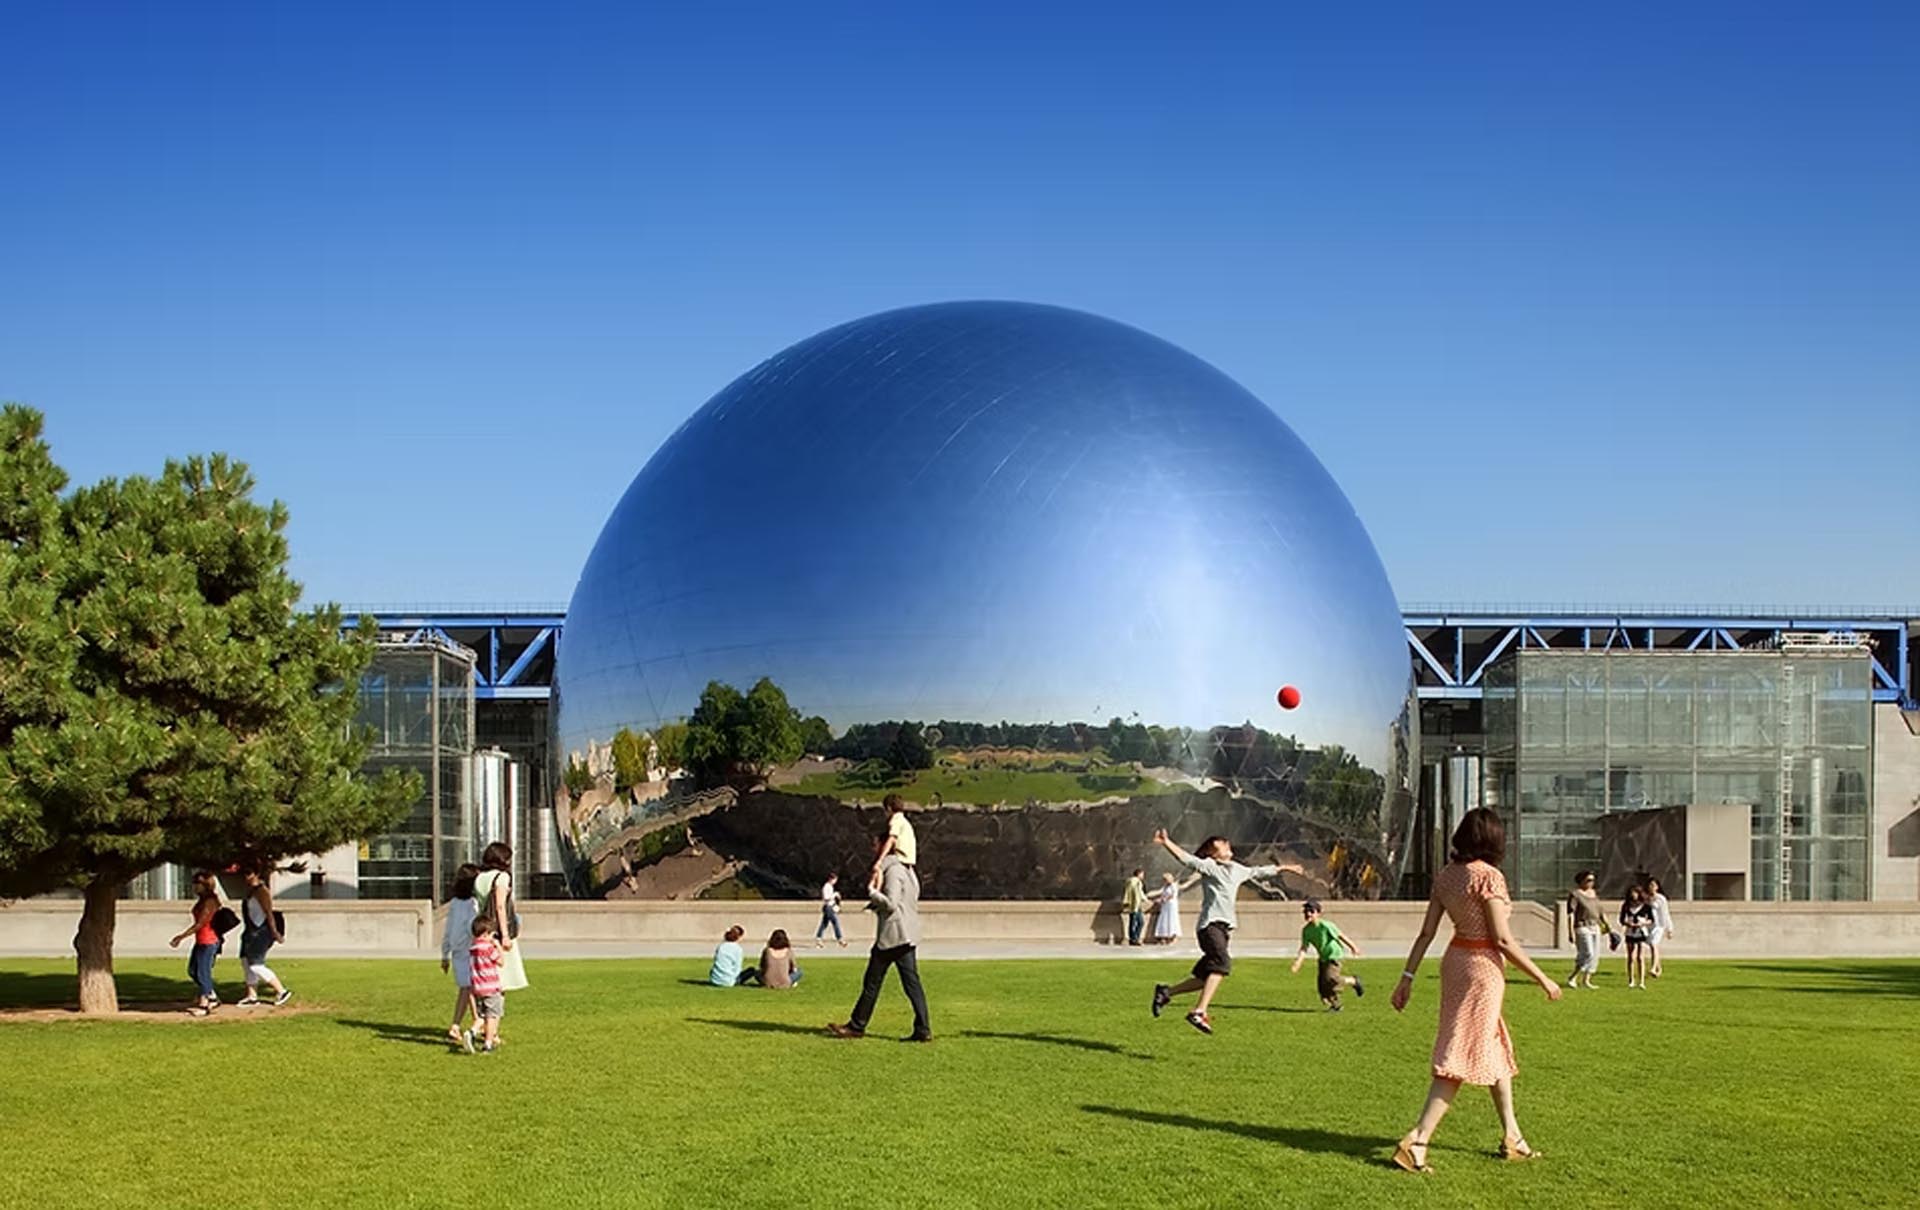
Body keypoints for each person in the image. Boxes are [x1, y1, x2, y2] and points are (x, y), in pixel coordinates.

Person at [1390, 808, 1561, 1173]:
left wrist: (1407, 976)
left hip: (1455, 962)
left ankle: (1512, 1136)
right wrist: (1542, 977)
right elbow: (1501, 939)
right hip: (1482, 969)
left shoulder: (1446, 876)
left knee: (1493, 1047)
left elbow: (1426, 933)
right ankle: (1418, 1140)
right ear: (1493, 840)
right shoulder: (1489, 878)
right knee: (1461, 1053)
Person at [1147, 830, 1285, 1035]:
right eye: (1220, 844)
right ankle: (1199, 1011)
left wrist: (1284, 867)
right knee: (1222, 964)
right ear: (1213, 854)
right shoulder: (1210, 866)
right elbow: (1186, 859)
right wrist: (1167, 842)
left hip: (1223, 929)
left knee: (1206, 977)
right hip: (1210, 926)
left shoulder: (1238, 869)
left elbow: (1258, 871)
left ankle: (1166, 991)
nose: (1226, 844)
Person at [828, 835, 931, 1041]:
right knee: (911, 984)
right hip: (907, 934)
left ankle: (857, 1026)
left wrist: (872, 893)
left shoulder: (891, 871)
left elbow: (891, 903)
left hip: (893, 936)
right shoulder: (908, 871)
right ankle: (923, 1029)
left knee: (872, 983)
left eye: (875, 844)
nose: (872, 848)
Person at [473, 842, 529, 994]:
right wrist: (505, 935)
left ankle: (484, 1013)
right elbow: (500, 906)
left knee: (486, 973)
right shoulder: (502, 877)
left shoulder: (479, 878)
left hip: (484, 930)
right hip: (497, 931)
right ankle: (493, 1014)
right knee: (501, 976)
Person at [169, 870, 224, 1016]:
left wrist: (181, 937)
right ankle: (211, 995)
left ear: (205, 884)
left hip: (209, 940)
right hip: (201, 940)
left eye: (197, 883)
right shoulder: (202, 900)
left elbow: (200, 923)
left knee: (203, 972)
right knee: (193, 971)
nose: (194, 886)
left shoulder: (210, 901)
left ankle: (206, 1003)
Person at [1291, 899, 1364, 1011]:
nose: (1308, 914)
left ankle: (1353, 981)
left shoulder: (1326, 926)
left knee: (1331, 978)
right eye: (1306, 911)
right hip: (1323, 957)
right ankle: (1336, 1005)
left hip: (1334, 955)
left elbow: (1340, 936)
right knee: (1322, 986)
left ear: (1318, 913)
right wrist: (1298, 962)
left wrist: (1353, 947)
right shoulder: (1306, 930)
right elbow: (1304, 948)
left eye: (1311, 911)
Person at [235, 865, 290, 1007]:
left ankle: (281, 990)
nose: (245, 877)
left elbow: (268, 913)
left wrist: (274, 932)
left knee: (256, 965)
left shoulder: (262, 891)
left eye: (249, 873)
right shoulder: (250, 892)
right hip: (250, 931)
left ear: (257, 874)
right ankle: (251, 995)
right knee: (246, 962)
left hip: (260, 932)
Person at [441, 862, 482, 1043]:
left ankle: (472, 1021)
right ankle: (462, 1024)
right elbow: (471, 927)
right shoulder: (472, 904)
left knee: (467, 988)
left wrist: (445, 954)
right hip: (469, 950)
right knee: (468, 988)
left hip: (457, 951)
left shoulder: (454, 903)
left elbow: (448, 930)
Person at [464, 915, 504, 1054]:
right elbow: (501, 962)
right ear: (486, 933)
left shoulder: (473, 948)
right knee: (492, 1015)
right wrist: (497, 946)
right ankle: (488, 1043)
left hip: (478, 987)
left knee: (481, 1016)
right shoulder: (488, 948)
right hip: (491, 987)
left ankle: (472, 1031)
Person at [1564, 871, 1608, 990]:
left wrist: (1607, 926)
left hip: (1595, 926)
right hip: (1582, 926)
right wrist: (1570, 931)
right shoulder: (1576, 895)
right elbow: (1570, 914)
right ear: (1581, 881)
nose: (1591, 883)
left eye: (1592, 880)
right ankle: (1573, 977)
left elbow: (1600, 911)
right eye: (1588, 880)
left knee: (1595, 955)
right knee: (1588, 953)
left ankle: (1586, 980)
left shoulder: (1593, 894)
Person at [1620, 884, 1655, 989]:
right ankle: (1631, 980)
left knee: (1640, 957)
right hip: (1630, 932)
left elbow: (1651, 919)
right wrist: (1628, 923)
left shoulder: (1645, 906)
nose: (1633, 895)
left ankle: (1642, 981)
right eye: (1631, 893)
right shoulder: (1626, 905)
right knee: (1631, 957)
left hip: (1641, 932)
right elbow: (1621, 919)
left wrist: (1643, 923)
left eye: (1635, 893)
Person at [873, 793, 918, 875]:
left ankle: (872, 886)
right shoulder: (905, 822)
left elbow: (892, 839)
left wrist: (880, 859)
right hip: (909, 859)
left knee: (877, 869)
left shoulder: (896, 820)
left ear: (889, 808)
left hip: (898, 857)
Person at [1646, 876, 1675, 978]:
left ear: (1657, 887)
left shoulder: (1661, 899)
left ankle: (1653, 968)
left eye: (1653, 885)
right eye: (1650, 885)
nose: (1651, 887)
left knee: (1654, 944)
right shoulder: (1646, 898)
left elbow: (1666, 913)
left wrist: (1669, 928)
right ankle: (1658, 968)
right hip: (1649, 926)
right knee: (1652, 946)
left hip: (1659, 926)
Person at [816, 872, 847, 948]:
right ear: (831, 879)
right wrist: (835, 895)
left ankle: (818, 938)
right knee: (835, 922)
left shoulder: (830, 887)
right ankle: (840, 939)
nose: (835, 882)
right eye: (835, 880)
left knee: (824, 924)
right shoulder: (827, 887)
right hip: (828, 907)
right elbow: (826, 898)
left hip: (830, 907)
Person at [1151, 872, 1181, 944]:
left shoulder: (1174, 885)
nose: (1165, 881)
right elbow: (1163, 894)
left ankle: (1173, 937)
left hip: (1171, 905)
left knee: (1171, 920)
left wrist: (1163, 899)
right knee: (1164, 920)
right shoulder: (1165, 886)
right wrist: (1160, 899)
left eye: (1166, 879)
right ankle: (1164, 937)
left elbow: (1172, 895)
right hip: (1165, 905)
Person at [1122, 868, 1148, 946]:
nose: (1143, 876)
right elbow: (1137, 893)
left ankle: (1134, 938)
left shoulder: (1133, 881)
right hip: (1135, 905)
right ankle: (1134, 939)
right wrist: (1145, 899)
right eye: (1142, 874)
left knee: (1136, 922)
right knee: (1137, 922)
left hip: (1135, 905)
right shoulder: (1135, 882)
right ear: (1139, 874)